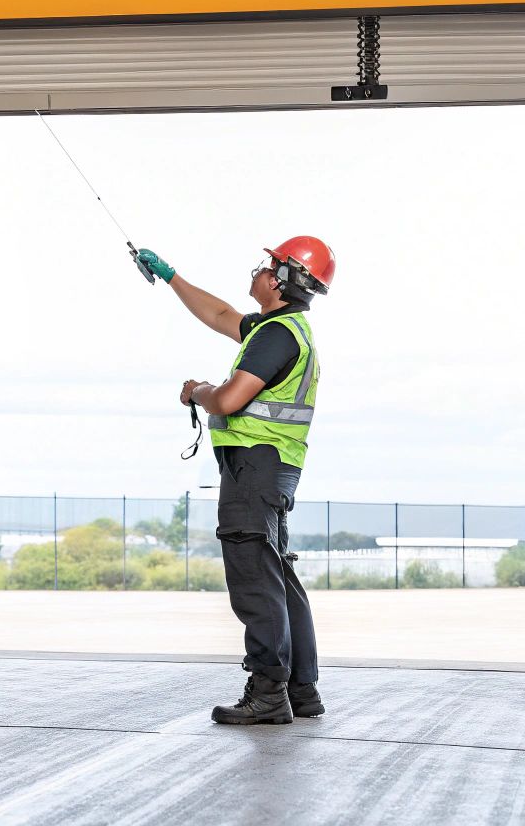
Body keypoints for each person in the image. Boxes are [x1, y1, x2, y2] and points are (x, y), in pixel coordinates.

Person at [133, 236, 335, 726]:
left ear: (282, 280)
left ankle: (268, 692)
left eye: (269, 265)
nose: (259, 270)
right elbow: (221, 314)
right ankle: (300, 689)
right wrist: (170, 275)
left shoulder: (275, 336)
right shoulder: (281, 328)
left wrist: (197, 390)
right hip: (274, 466)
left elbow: (228, 400)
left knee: (254, 580)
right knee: (277, 575)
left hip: (254, 468)